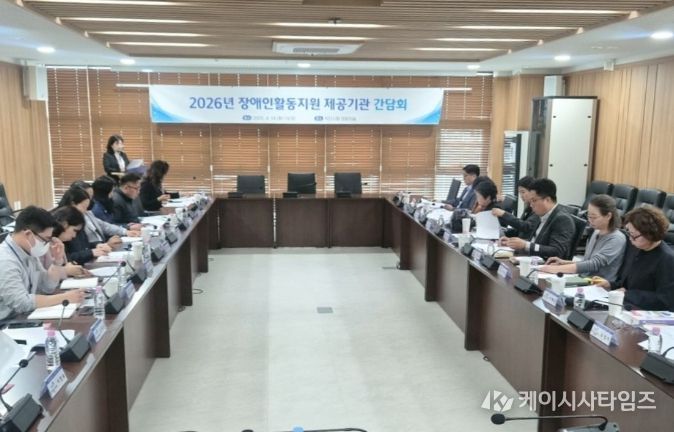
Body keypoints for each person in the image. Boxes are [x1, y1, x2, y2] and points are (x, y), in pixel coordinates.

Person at [0, 206, 85, 321]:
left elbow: (47, 286)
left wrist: (56, 262)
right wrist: (64, 298)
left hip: (25, 317)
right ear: (28, 234)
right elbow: (21, 303)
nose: (48, 244)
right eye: (46, 239)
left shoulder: (29, 252)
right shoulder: (5, 259)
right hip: (6, 324)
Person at [595, 206, 674, 311]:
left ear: (649, 233)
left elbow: (665, 300)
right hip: (627, 304)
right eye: (629, 233)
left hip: (646, 312)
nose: (630, 239)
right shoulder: (638, 248)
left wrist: (628, 294)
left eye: (634, 235)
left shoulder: (667, 259)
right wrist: (610, 284)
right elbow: (628, 283)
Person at [537, 194, 626, 282]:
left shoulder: (616, 239)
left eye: (594, 217)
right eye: (589, 216)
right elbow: (587, 261)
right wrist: (564, 262)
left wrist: (557, 269)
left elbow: (593, 264)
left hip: (598, 285)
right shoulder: (596, 231)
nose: (590, 220)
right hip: (584, 279)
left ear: (608, 216)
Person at [500, 178, 575, 260]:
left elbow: (557, 251)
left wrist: (525, 245)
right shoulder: (543, 214)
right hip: (531, 258)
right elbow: (535, 241)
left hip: (545, 264)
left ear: (547, 200)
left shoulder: (562, 219)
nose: (531, 205)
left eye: (534, 200)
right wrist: (513, 242)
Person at [59, 188, 111, 264]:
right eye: (84, 207)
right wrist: (91, 253)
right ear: (73, 204)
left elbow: (83, 245)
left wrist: (97, 245)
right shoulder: (62, 224)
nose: (86, 211)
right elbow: (65, 258)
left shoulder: (78, 219)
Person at [48, 206, 90, 279]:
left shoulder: (58, 241)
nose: (74, 236)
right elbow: (44, 276)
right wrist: (66, 271)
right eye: (74, 230)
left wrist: (72, 267)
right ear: (64, 224)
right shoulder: (45, 243)